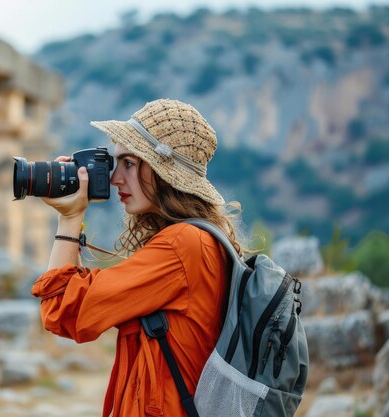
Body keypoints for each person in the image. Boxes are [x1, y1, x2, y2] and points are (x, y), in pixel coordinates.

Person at [31, 98, 246, 417]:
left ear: (164, 173)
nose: (116, 178)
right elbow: (86, 297)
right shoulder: (197, 241)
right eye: (117, 164)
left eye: (129, 164)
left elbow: (64, 310)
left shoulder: (182, 245)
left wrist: (70, 218)